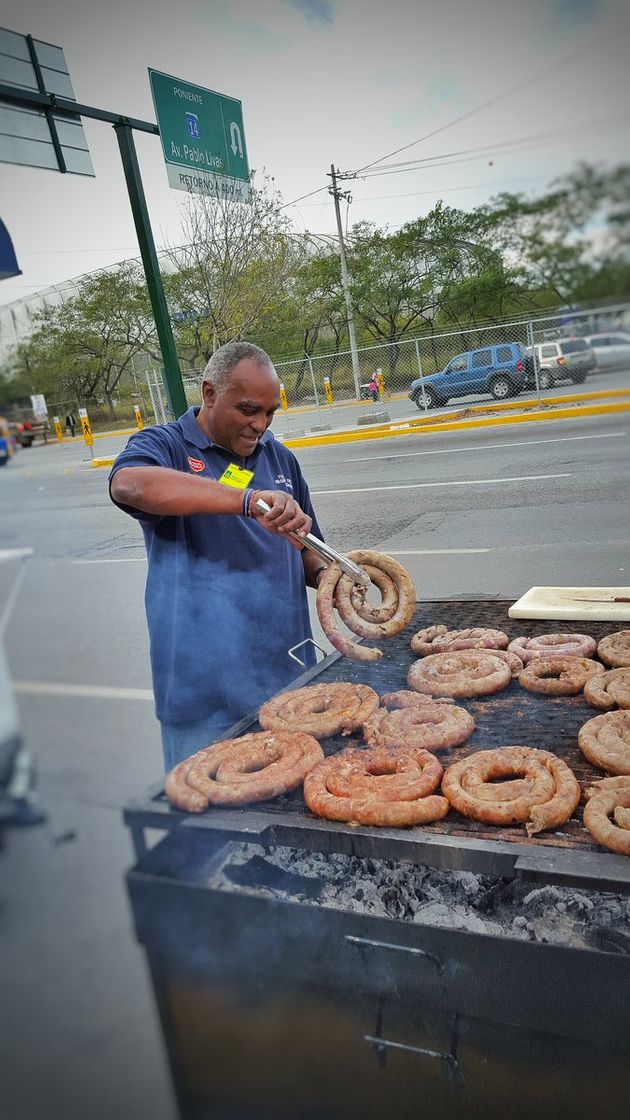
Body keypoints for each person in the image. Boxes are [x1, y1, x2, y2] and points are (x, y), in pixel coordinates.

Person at [109, 341, 327, 772]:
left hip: (286, 681)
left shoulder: (281, 459)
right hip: (201, 696)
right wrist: (246, 501)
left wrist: (333, 580)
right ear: (210, 394)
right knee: (208, 826)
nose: (260, 425)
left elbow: (308, 551)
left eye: (270, 413)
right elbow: (128, 485)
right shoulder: (166, 446)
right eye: (248, 410)